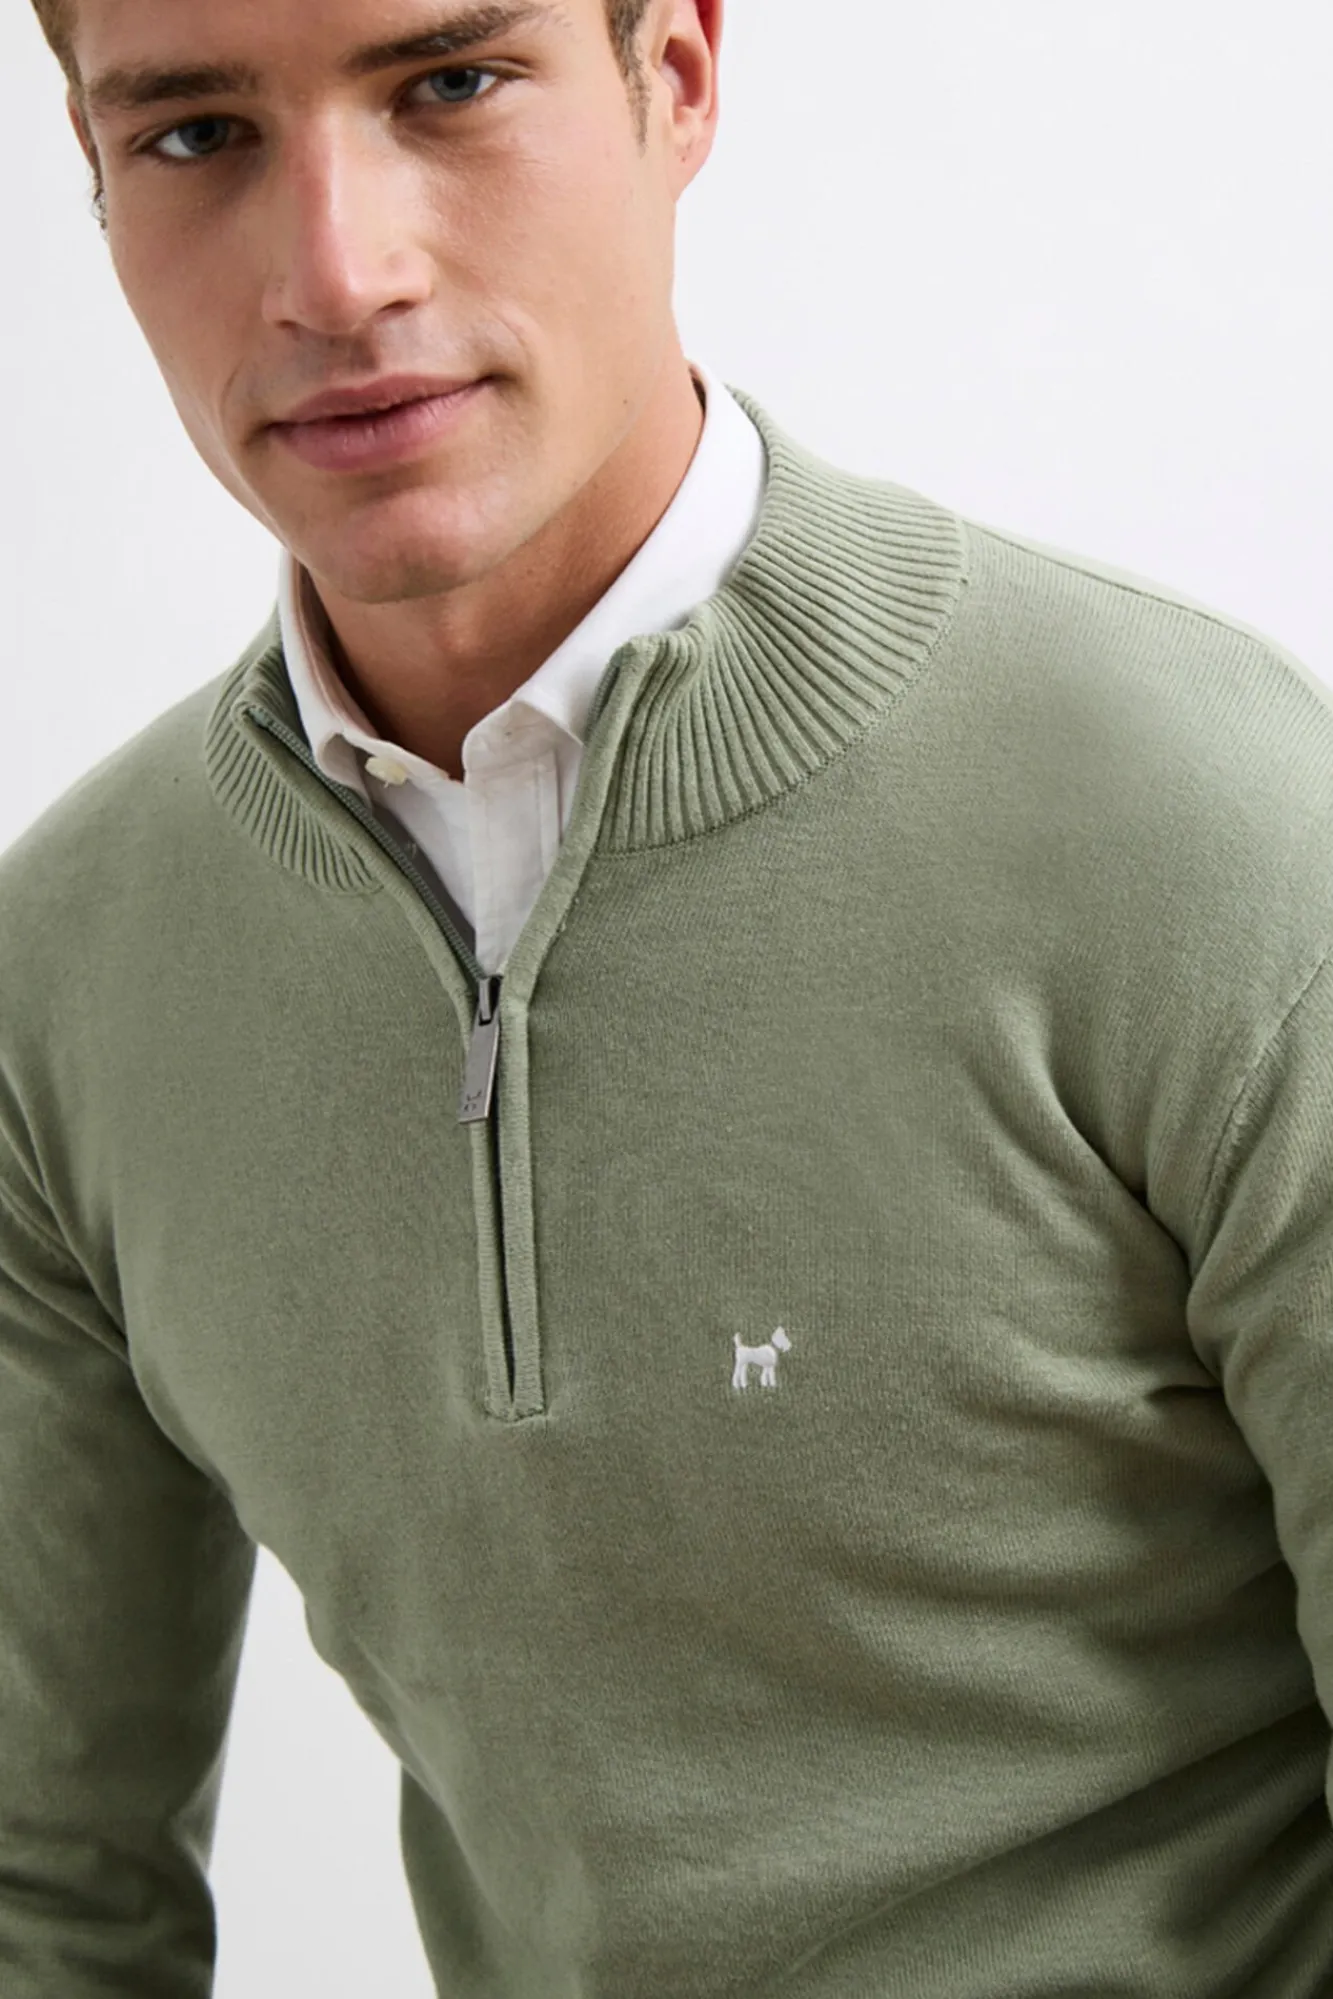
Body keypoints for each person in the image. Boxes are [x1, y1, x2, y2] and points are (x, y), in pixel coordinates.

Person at [4, 0, 1333, 1993]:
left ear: (680, 77)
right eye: (196, 135)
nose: (337, 274)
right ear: (94, 177)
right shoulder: (65, 986)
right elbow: (43, 1899)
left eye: (450, 83)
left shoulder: (1206, 824)